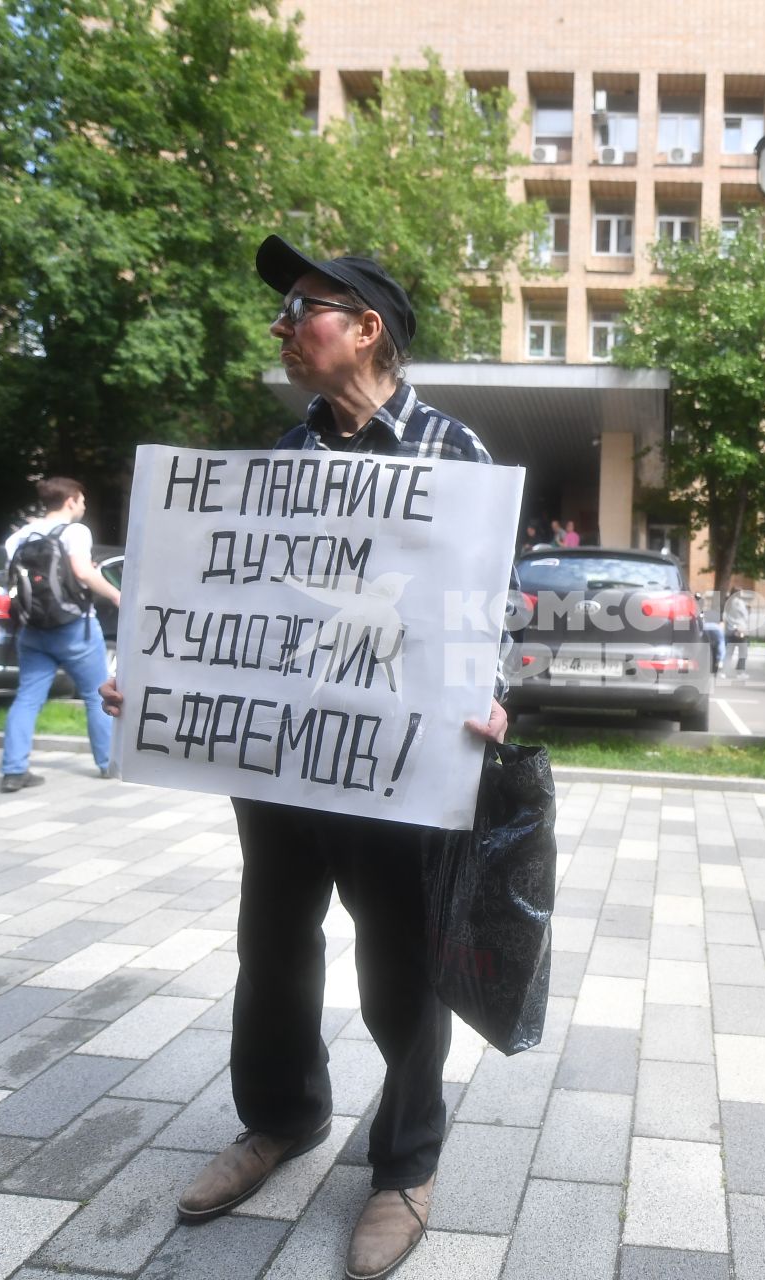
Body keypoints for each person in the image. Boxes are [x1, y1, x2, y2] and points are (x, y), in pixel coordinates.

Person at [101, 239, 509, 1279]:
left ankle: (406, 1161)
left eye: (302, 307)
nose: (282, 326)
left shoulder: (454, 456)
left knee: (401, 963)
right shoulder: (275, 466)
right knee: (273, 943)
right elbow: (229, 608)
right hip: (282, 757)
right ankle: (280, 1117)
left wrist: (491, 690)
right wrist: (159, 675)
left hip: (399, 761)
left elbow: (483, 613)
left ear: (366, 326)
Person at [0, 476, 121, 792]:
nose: (83, 505)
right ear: (70, 500)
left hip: (33, 629)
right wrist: (116, 595)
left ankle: (13, 771)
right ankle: (108, 764)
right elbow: (81, 572)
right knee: (97, 695)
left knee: (27, 698)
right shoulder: (75, 531)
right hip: (74, 628)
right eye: (81, 500)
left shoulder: (20, 537)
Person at [724, 588, 751, 677]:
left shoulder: (728, 602)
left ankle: (725, 671)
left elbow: (725, 617)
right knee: (743, 652)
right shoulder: (739, 602)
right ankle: (740, 672)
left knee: (729, 652)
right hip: (740, 630)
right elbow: (745, 616)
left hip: (730, 629)